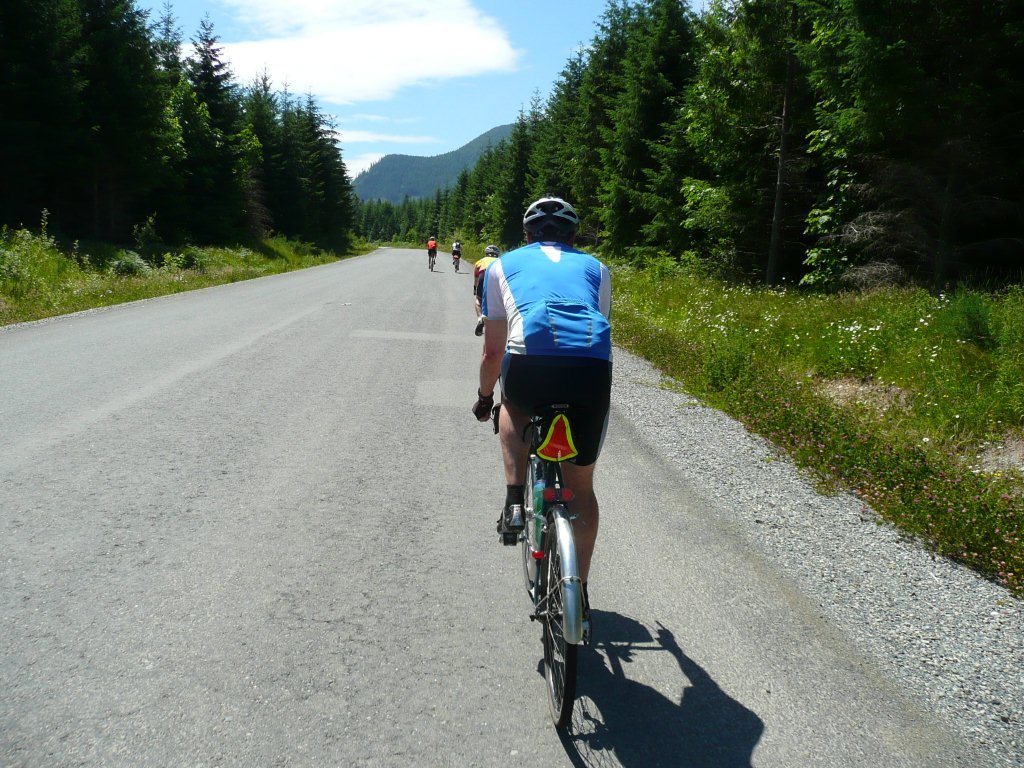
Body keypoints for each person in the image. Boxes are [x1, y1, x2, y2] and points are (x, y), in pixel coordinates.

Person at [471, 197, 611, 620]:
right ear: (573, 235)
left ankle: (515, 498)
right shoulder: (597, 268)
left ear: (528, 234)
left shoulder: (501, 266)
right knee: (581, 489)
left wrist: (484, 398)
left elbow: (493, 351)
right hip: (590, 369)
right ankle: (578, 596)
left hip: (529, 364)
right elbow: (598, 323)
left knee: (512, 405)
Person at [472, 244, 501, 336]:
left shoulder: (480, 261)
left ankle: (480, 318)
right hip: (497, 277)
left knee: (478, 300)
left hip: (483, 275)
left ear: (486, 253)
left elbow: (476, 278)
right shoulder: (500, 261)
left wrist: (475, 288)